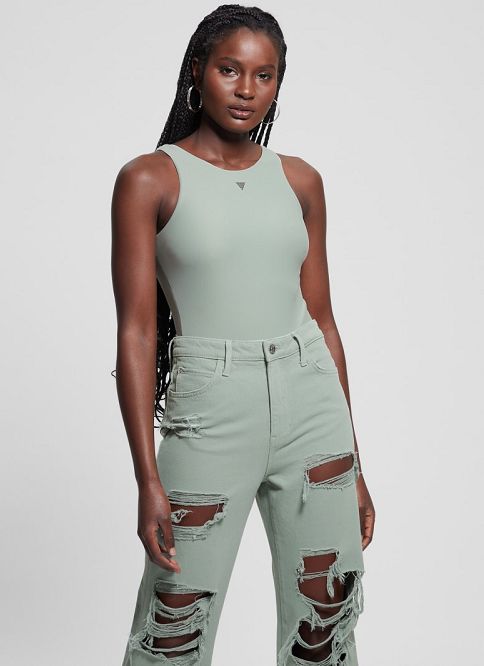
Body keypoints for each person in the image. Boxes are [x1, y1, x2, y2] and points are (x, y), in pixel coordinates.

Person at [111, 5, 375, 665]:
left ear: (279, 83)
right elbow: (138, 332)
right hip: (210, 408)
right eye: (230, 69)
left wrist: (356, 461)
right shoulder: (149, 179)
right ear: (198, 70)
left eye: (265, 74)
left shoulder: (300, 180)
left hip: (311, 401)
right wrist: (147, 478)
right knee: (174, 624)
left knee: (326, 619)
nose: (247, 89)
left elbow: (323, 319)